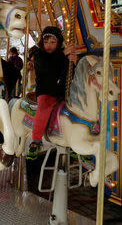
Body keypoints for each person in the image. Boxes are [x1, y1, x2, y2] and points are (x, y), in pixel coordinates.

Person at [27, 26, 77, 160]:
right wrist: (63, 54)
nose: (48, 45)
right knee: (44, 105)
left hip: (60, 90)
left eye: (52, 42)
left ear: (59, 43)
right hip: (45, 89)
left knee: (75, 109)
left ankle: (74, 142)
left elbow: (68, 73)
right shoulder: (39, 55)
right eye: (46, 42)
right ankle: (36, 141)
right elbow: (47, 69)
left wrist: (73, 62)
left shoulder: (62, 55)